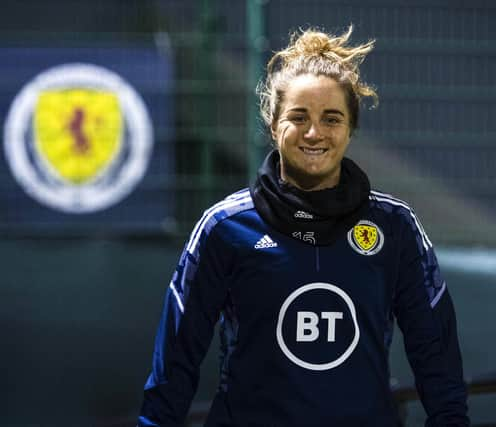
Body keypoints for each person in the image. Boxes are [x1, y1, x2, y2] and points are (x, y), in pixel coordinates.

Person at [139, 26, 469, 427]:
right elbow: (176, 360)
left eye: (332, 119)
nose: (315, 133)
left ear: (350, 129)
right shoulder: (225, 227)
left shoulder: (394, 226)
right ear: (274, 124)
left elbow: (435, 352)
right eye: (299, 117)